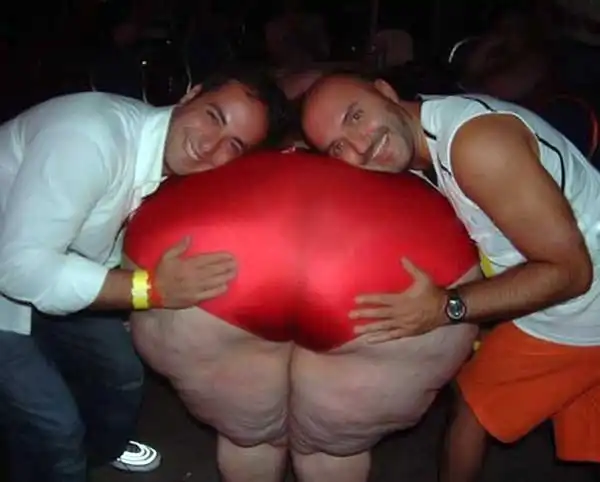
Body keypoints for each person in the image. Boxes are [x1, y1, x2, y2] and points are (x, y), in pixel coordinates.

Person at [300, 72, 600, 482]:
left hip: (582, 303)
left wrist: (446, 307)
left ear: (386, 91)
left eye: (355, 116)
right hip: (567, 277)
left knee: (472, 406)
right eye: (337, 146)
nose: (359, 145)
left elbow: (571, 273)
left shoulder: (478, 147)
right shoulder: (425, 130)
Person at [0, 67, 287, 482]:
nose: (210, 146)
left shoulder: (177, 167)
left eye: (234, 145)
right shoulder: (90, 138)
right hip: (14, 271)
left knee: (121, 375)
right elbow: (19, 268)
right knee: (53, 427)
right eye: (213, 116)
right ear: (190, 95)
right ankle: (57, 458)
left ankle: (97, 452)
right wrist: (148, 289)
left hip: (57, 265)